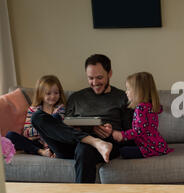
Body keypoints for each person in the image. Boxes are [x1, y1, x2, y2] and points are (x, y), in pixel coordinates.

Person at [31, 54, 132, 183]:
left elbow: (131, 134)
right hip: (70, 143)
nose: (95, 83)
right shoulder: (76, 97)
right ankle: (93, 141)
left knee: (84, 148)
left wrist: (112, 132)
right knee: (37, 117)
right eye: (90, 78)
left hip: (106, 144)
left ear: (110, 73)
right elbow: (63, 126)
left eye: (99, 77)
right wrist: (74, 127)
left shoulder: (122, 97)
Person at [112, 72, 173, 159]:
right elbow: (160, 109)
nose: (126, 92)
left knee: (122, 151)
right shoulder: (151, 106)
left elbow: (138, 130)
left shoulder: (141, 108)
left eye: (128, 89)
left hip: (149, 148)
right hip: (158, 145)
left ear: (138, 91)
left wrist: (123, 135)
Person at [6, 75, 66, 158]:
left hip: (54, 142)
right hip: (38, 144)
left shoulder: (60, 108)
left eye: (56, 93)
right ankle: (41, 152)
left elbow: (59, 130)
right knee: (10, 135)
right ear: (40, 94)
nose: (53, 96)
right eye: (48, 93)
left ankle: (54, 152)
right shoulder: (33, 109)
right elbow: (26, 132)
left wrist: (40, 130)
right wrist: (44, 129)